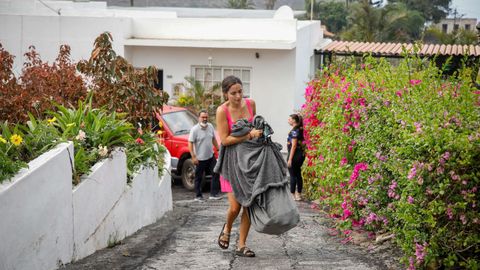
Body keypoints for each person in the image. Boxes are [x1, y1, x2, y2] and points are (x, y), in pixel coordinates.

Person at [216, 75, 263, 257]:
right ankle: (227, 228)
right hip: (231, 163)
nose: (237, 96)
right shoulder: (222, 111)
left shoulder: (251, 104)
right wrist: (248, 136)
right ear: (226, 94)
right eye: (233, 93)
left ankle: (242, 244)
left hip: (250, 161)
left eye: (240, 91)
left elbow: (256, 127)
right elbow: (225, 140)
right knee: (235, 207)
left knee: (249, 205)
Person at [188, 110, 222, 201]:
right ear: (199, 118)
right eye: (203, 117)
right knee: (198, 177)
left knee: (215, 172)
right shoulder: (194, 130)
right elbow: (190, 143)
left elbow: (214, 139)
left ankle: (213, 194)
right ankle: (198, 196)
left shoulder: (210, 126)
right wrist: (193, 156)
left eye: (206, 117)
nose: (205, 119)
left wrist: (218, 149)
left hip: (210, 156)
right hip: (200, 158)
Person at [287, 113, 305, 201]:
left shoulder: (294, 131)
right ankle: (299, 194)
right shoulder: (300, 129)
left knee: (292, 175)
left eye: (289, 119)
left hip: (294, 155)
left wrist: (290, 159)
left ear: (294, 120)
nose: (288, 120)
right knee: (298, 174)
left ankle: (293, 194)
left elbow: (293, 146)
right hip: (300, 155)